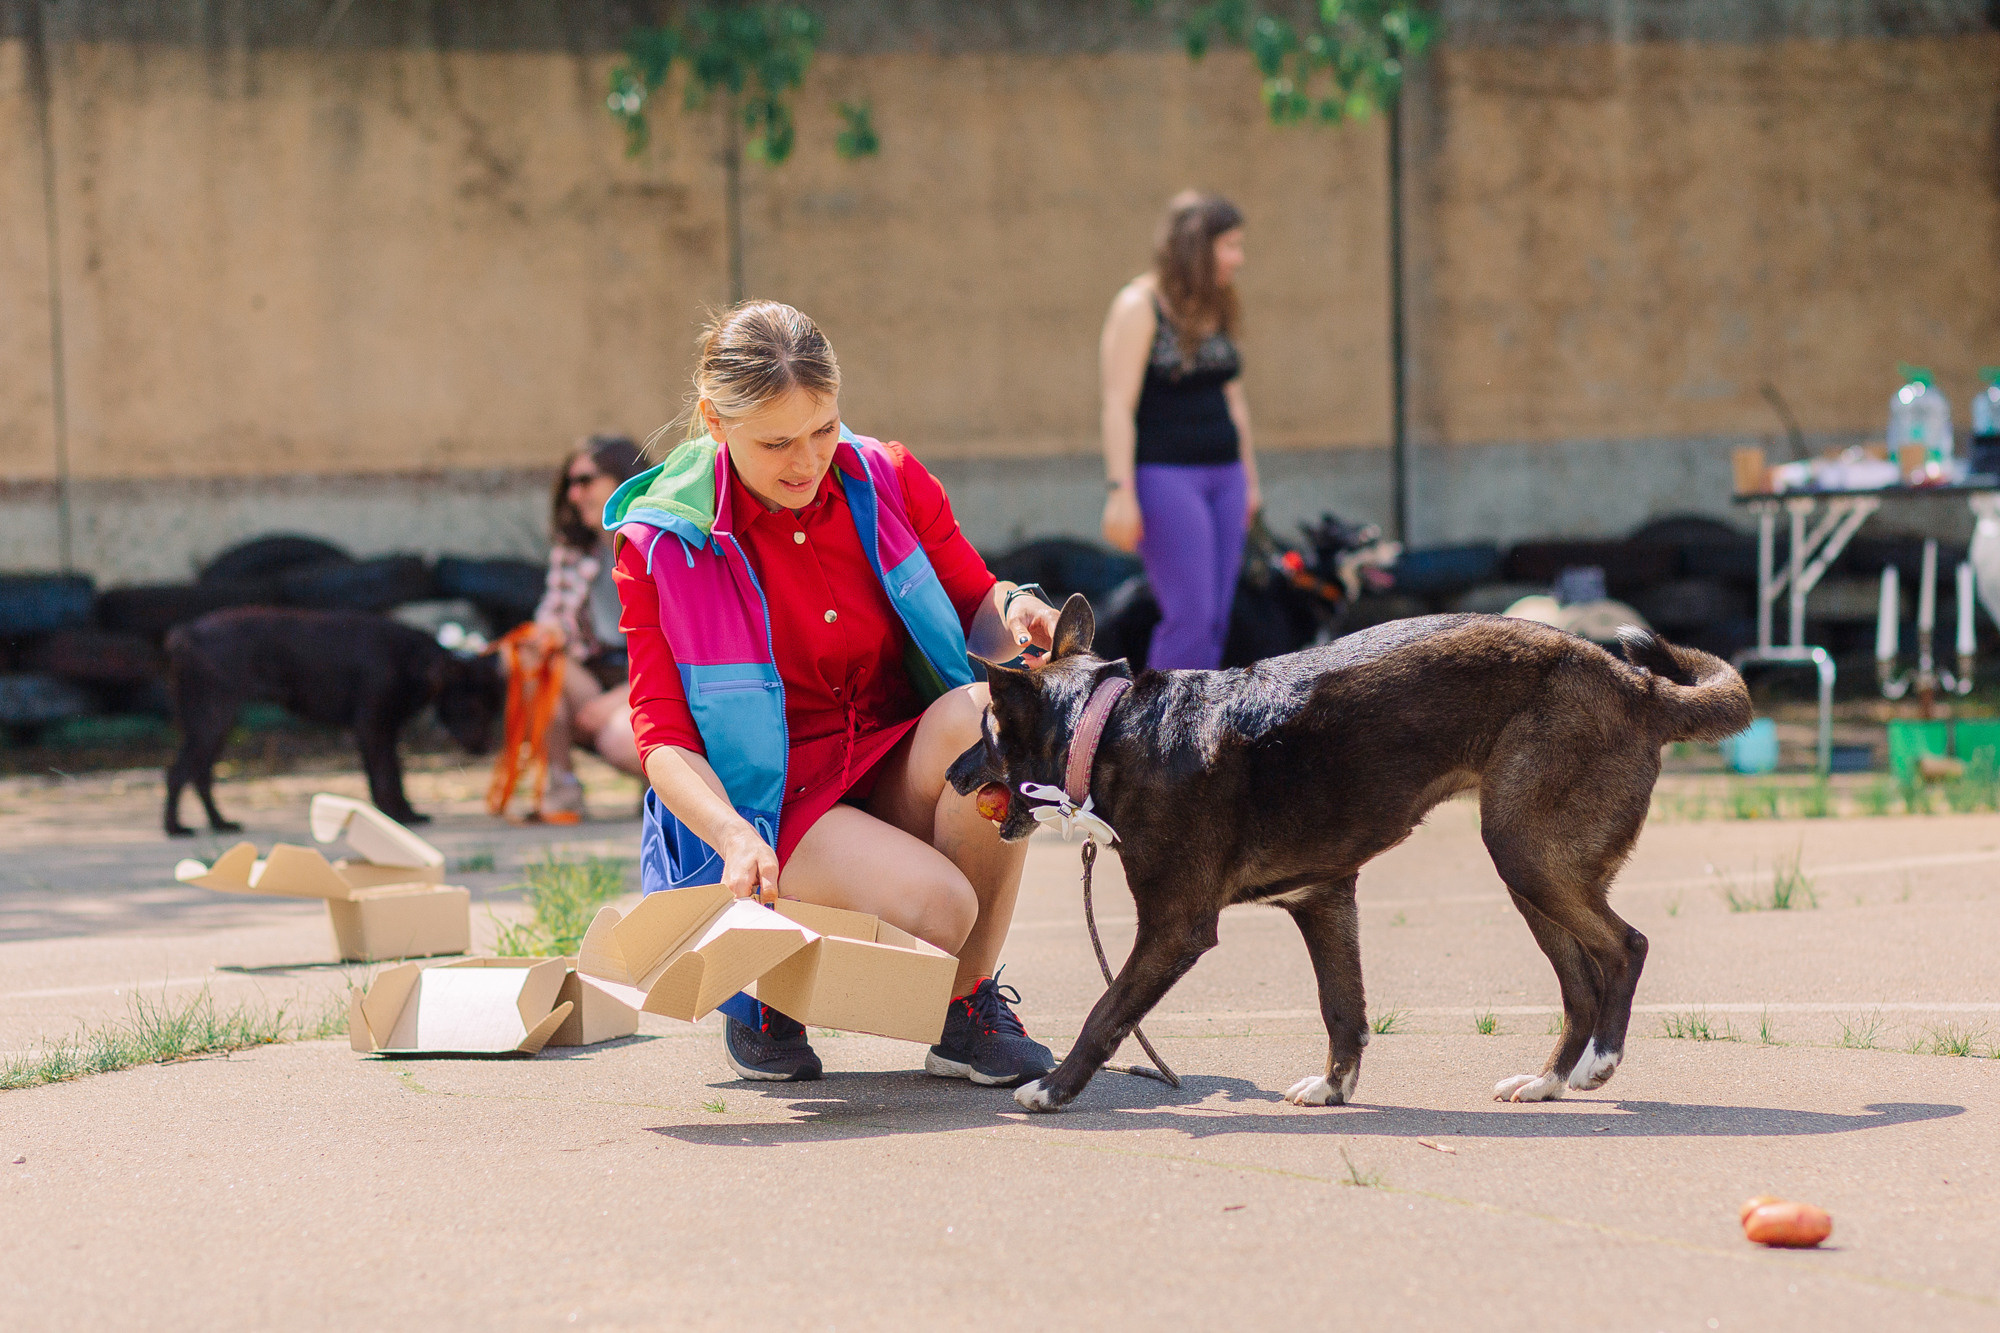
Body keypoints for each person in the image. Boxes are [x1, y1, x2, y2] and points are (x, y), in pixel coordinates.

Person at [605, 300, 1063, 1087]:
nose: (807, 460)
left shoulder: (886, 475)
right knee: (943, 909)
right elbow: (663, 739)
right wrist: (734, 839)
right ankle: (763, 983)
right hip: (769, 806)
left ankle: (965, 1009)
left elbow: (974, 597)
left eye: (822, 429)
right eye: (776, 441)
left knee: (993, 719)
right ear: (715, 421)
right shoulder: (658, 546)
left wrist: (1017, 607)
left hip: (885, 757)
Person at [1099, 190, 1262, 669]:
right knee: (1189, 617)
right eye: (1229, 245)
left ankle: (1196, 731)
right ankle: (1158, 739)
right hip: (1166, 478)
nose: (1239, 257)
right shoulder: (1139, 305)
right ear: (1198, 247)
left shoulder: (1217, 306)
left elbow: (1233, 398)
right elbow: (1116, 405)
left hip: (1225, 476)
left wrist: (1250, 481)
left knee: (1217, 620)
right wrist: (1119, 491)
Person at [533, 435, 649, 822]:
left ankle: (665, 791)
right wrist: (546, 634)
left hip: (652, 680)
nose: (574, 494)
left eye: (586, 481)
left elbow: (680, 649)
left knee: (619, 739)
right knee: (532, 658)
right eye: (569, 484)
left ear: (624, 479)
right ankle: (561, 790)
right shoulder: (576, 550)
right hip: (598, 671)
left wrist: (618, 701)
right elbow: (553, 618)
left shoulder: (658, 545)